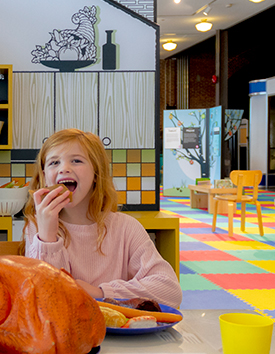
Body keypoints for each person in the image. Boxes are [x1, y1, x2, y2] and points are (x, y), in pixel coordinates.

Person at [21, 129, 182, 308]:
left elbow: (171, 291)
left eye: (76, 160)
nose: (64, 168)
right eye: (54, 162)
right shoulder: (37, 228)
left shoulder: (126, 228)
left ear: (96, 173)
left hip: (121, 333)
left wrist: (101, 293)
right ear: (44, 177)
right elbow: (44, 300)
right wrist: (48, 236)